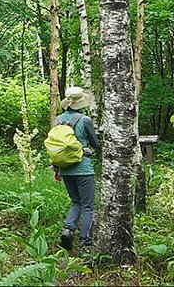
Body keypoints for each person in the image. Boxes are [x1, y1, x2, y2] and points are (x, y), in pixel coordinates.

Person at [52, 86, 100, 253]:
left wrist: (56, 169)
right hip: (84, 168)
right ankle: (86, 243)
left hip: (65, 169)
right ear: (81, 102)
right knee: (87, 206)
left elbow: (56, 146)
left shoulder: (57, 120)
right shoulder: (85, 120)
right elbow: (95, 144)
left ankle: (68, 229)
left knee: (75, 202)